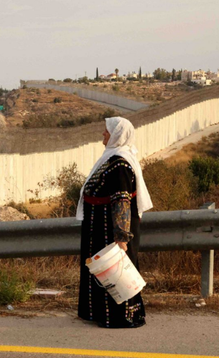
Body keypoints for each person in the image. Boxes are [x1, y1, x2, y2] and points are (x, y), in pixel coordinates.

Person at [76, 116, 153, 328]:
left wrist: (121, 237)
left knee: (115, 272)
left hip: (109, 229)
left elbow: (122, 202)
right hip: (97, 226)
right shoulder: (111, 159)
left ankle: (120, 317)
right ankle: (96, 313)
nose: (103, 134)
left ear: (117, 135)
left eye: (107, 131)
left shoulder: (120, 164)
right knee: (100, 270)